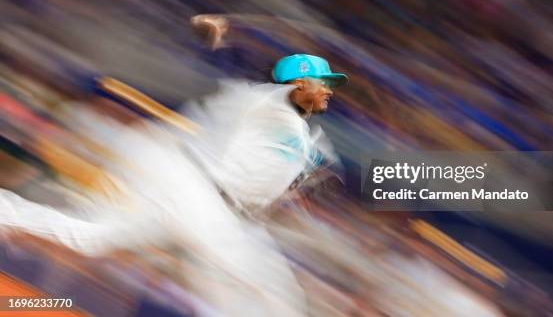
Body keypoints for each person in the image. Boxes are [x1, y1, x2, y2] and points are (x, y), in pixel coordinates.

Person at [0, 52, 348, 316]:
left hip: (186, 187)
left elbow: (271, 183)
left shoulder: (296, 129)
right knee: (268, 291)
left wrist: (304, 172)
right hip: (190, 185)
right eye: (323, 83)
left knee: (90, 238)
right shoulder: (266, 102)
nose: (329, 90)